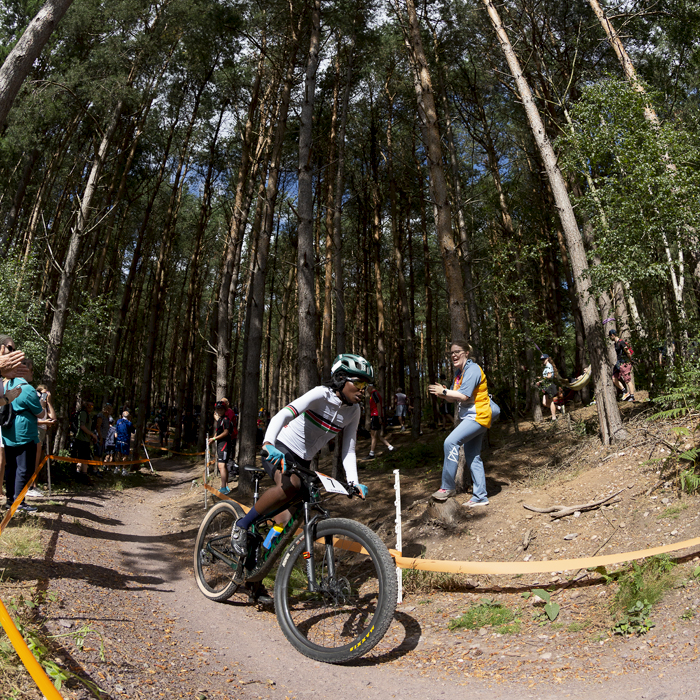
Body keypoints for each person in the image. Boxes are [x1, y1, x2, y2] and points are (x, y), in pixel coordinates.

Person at [229, 353, 371, 558]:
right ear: (341, 379)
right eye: (358, 384)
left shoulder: (354, 411)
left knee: (292, 516)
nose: (362, 391)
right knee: (292, 485)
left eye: (366, 386)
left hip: (303, 460)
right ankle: (242, 525)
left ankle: (259, 564)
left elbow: (348, 449)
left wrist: (353, 481)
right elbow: (284, 414)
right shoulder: (321, 394)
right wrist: (268, 443)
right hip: (280, 447)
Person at [428, 340, 499, 506]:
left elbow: (465, 396)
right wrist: (444, 393)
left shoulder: (473, 369)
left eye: (457, 351)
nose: (454, 355)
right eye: (451, 353)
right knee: (472, 455)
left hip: (479, 415)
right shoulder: (459, 373)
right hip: (471, 417)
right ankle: (480, 496)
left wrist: (445, 391)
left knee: (450, 442)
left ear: (466, 353)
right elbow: (455, 396)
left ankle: (447, 487)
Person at [3, 357, 46, 513]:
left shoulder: (6, 384)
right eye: (31, 369)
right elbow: (41, 414)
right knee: (23, 468)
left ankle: (10, 500)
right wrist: (43, 402)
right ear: (24, 370)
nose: (33, 373)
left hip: (8, 432)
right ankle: (18, 502)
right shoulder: (27, 389)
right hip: (24, 433)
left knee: (11, 467)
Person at [208, 401, 232, 495]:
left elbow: (226, 432)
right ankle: (225, 486)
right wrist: (213, 439)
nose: (219, 411)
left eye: (221, 409)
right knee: (222, 465)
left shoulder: (225, 419)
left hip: (225, 444)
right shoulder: (220, 420)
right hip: (220, 444)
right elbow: (218, 432)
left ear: (224, 409)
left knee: (221, 465)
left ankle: (223, 488)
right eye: (218, 409)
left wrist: (214, 438)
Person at [73, 400, 98, 482]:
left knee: (85, 458)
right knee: (82, 458)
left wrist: (91, 437)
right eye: (89, 406)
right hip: (81, 439)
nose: (90, 408)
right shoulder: (83, 413)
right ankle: (81, 475)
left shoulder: (89, 415)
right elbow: (82, 426)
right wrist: (92, 435)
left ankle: (83, 475)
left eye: (92, 406)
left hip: (86, 440)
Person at [368, 385, 394, 459]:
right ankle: (390, 447)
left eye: (367, 389)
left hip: (376, 415)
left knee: (373, 435)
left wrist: (379, 416)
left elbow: (378, 405)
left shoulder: (374, 393)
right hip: (375, 415)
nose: (367, 391)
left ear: (370, 387)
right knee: (378, 435)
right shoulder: (374, 394)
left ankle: (371, 453)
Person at [609, 329, 635, 402]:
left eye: (610, 336)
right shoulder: (615, 343)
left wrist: (631, 360)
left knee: (627, 380)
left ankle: (632, 397)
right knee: (614, 378)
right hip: (619, 363)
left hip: (625, 363)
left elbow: (628, 352)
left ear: (613, 335)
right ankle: (624, 392)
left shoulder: (621, 342)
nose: (610, 338)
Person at [537, 354, 559, 421]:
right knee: (544, 403)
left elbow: (549, 376)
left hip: (549, 385)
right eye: (542, 360)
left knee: (551, 401)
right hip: (546, 386)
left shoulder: (549, 366)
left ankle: (554, 417)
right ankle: (558, 407)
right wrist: (540, 380)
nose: (543, 361)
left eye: (544, 359)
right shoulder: (546, 367)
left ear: (547, 359)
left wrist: (541, 380)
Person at [115, 410, 135, 474]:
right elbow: (133, 431)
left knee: (118, 454)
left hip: (118, 440)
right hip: (125, 440)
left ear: (122, 415)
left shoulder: (118, 421)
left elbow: (116, 430)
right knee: (125, 455)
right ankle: (123, 469)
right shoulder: (129, 423)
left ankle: (116, 468)